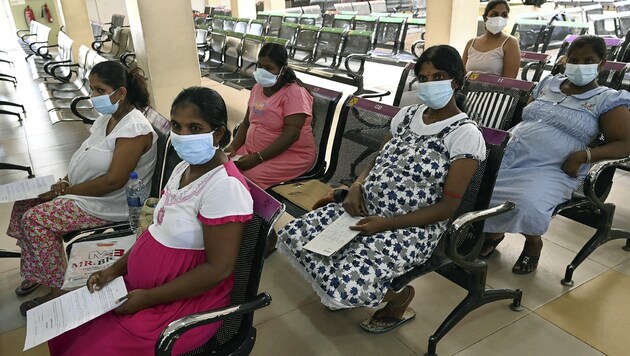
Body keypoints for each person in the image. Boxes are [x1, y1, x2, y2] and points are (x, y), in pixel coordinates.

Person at [277, 45, 486, 333]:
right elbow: (379, 156)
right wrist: (356, 186)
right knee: (296, 235)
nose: (429, 84)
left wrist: (386, 224)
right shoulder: (408, 116)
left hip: (411, 226)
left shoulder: (465, 135)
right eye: (423, 78)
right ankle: (346, 283)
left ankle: (399, 298)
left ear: (456, 82)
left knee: (346, 279)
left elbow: (448, 208)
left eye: (438, 76)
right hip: (365, 205)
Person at [48, 87, 254, 355]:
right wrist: (115, 269)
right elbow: (157, 230)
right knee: (66, 328)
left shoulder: (224, 187)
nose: (182, 136)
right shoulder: (182, 168)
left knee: (87, 349)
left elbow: (218, 270)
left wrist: (148, 298)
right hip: (143, 290)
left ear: (218, 134)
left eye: (194, 128)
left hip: (180, 305)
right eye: (177, 127)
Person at [8, 61, 157, 314]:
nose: (93, 96)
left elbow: (114, 182)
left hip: (110, 203)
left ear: (120, 93)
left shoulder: (134, 129)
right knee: (25, 203)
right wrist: (64, 181)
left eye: (100, 90)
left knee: (37, 219)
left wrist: (64, 192)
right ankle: (37, 269)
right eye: (92, 89)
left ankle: (58, 291)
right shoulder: (107, 119)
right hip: (83, 192)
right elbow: (87, 154)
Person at [481, 35, 630, 274]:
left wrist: (584, 156)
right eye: (574, 60)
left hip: (553, 167)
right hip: (509, 154)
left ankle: (532, 243)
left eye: (588, 60)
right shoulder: (548, 84)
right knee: (474, 184)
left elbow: (625, 144)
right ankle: (492, 231)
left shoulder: (608, 99)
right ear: (565, 61)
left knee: (527, 203)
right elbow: (530, 118)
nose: (580, 66)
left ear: (602, 63)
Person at [224, 42, 316, 189]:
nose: (262, 71)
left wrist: (259, 158)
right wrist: (233, 146)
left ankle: (249, 210)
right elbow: (247, 123)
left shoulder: (294, 92)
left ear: (283, 69)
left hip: (291, 155)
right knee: (223, 166)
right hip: (253, 151)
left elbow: (291, 134)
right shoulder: (257, 88)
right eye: (259, 66)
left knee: (248, 178)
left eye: (269, 68)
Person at [463, 0, 521, 78]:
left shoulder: (510, 43)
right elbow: (461, 73)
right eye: (494, 14)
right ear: (485, 18)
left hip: (495, 90)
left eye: (504, 15)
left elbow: (508, 81)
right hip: (468, 89)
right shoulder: (471, 43)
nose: (499, 19)